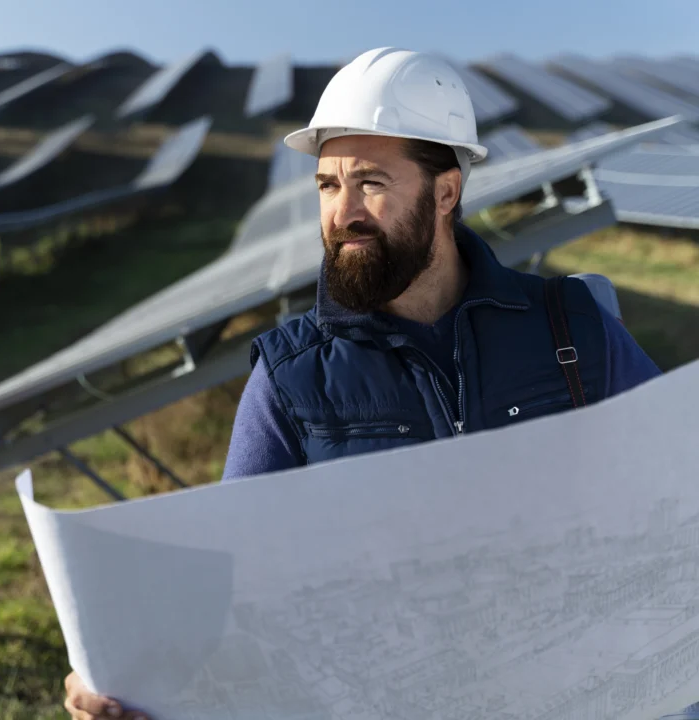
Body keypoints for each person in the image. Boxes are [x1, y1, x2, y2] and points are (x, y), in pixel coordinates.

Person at [61, 48, 676, 720]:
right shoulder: (291, 379)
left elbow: (680, 502)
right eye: (328, 185)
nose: (342, 212)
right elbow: (232, 593)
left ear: (446, 192)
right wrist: (133, 680)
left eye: (372, 184)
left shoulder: (573, 329)